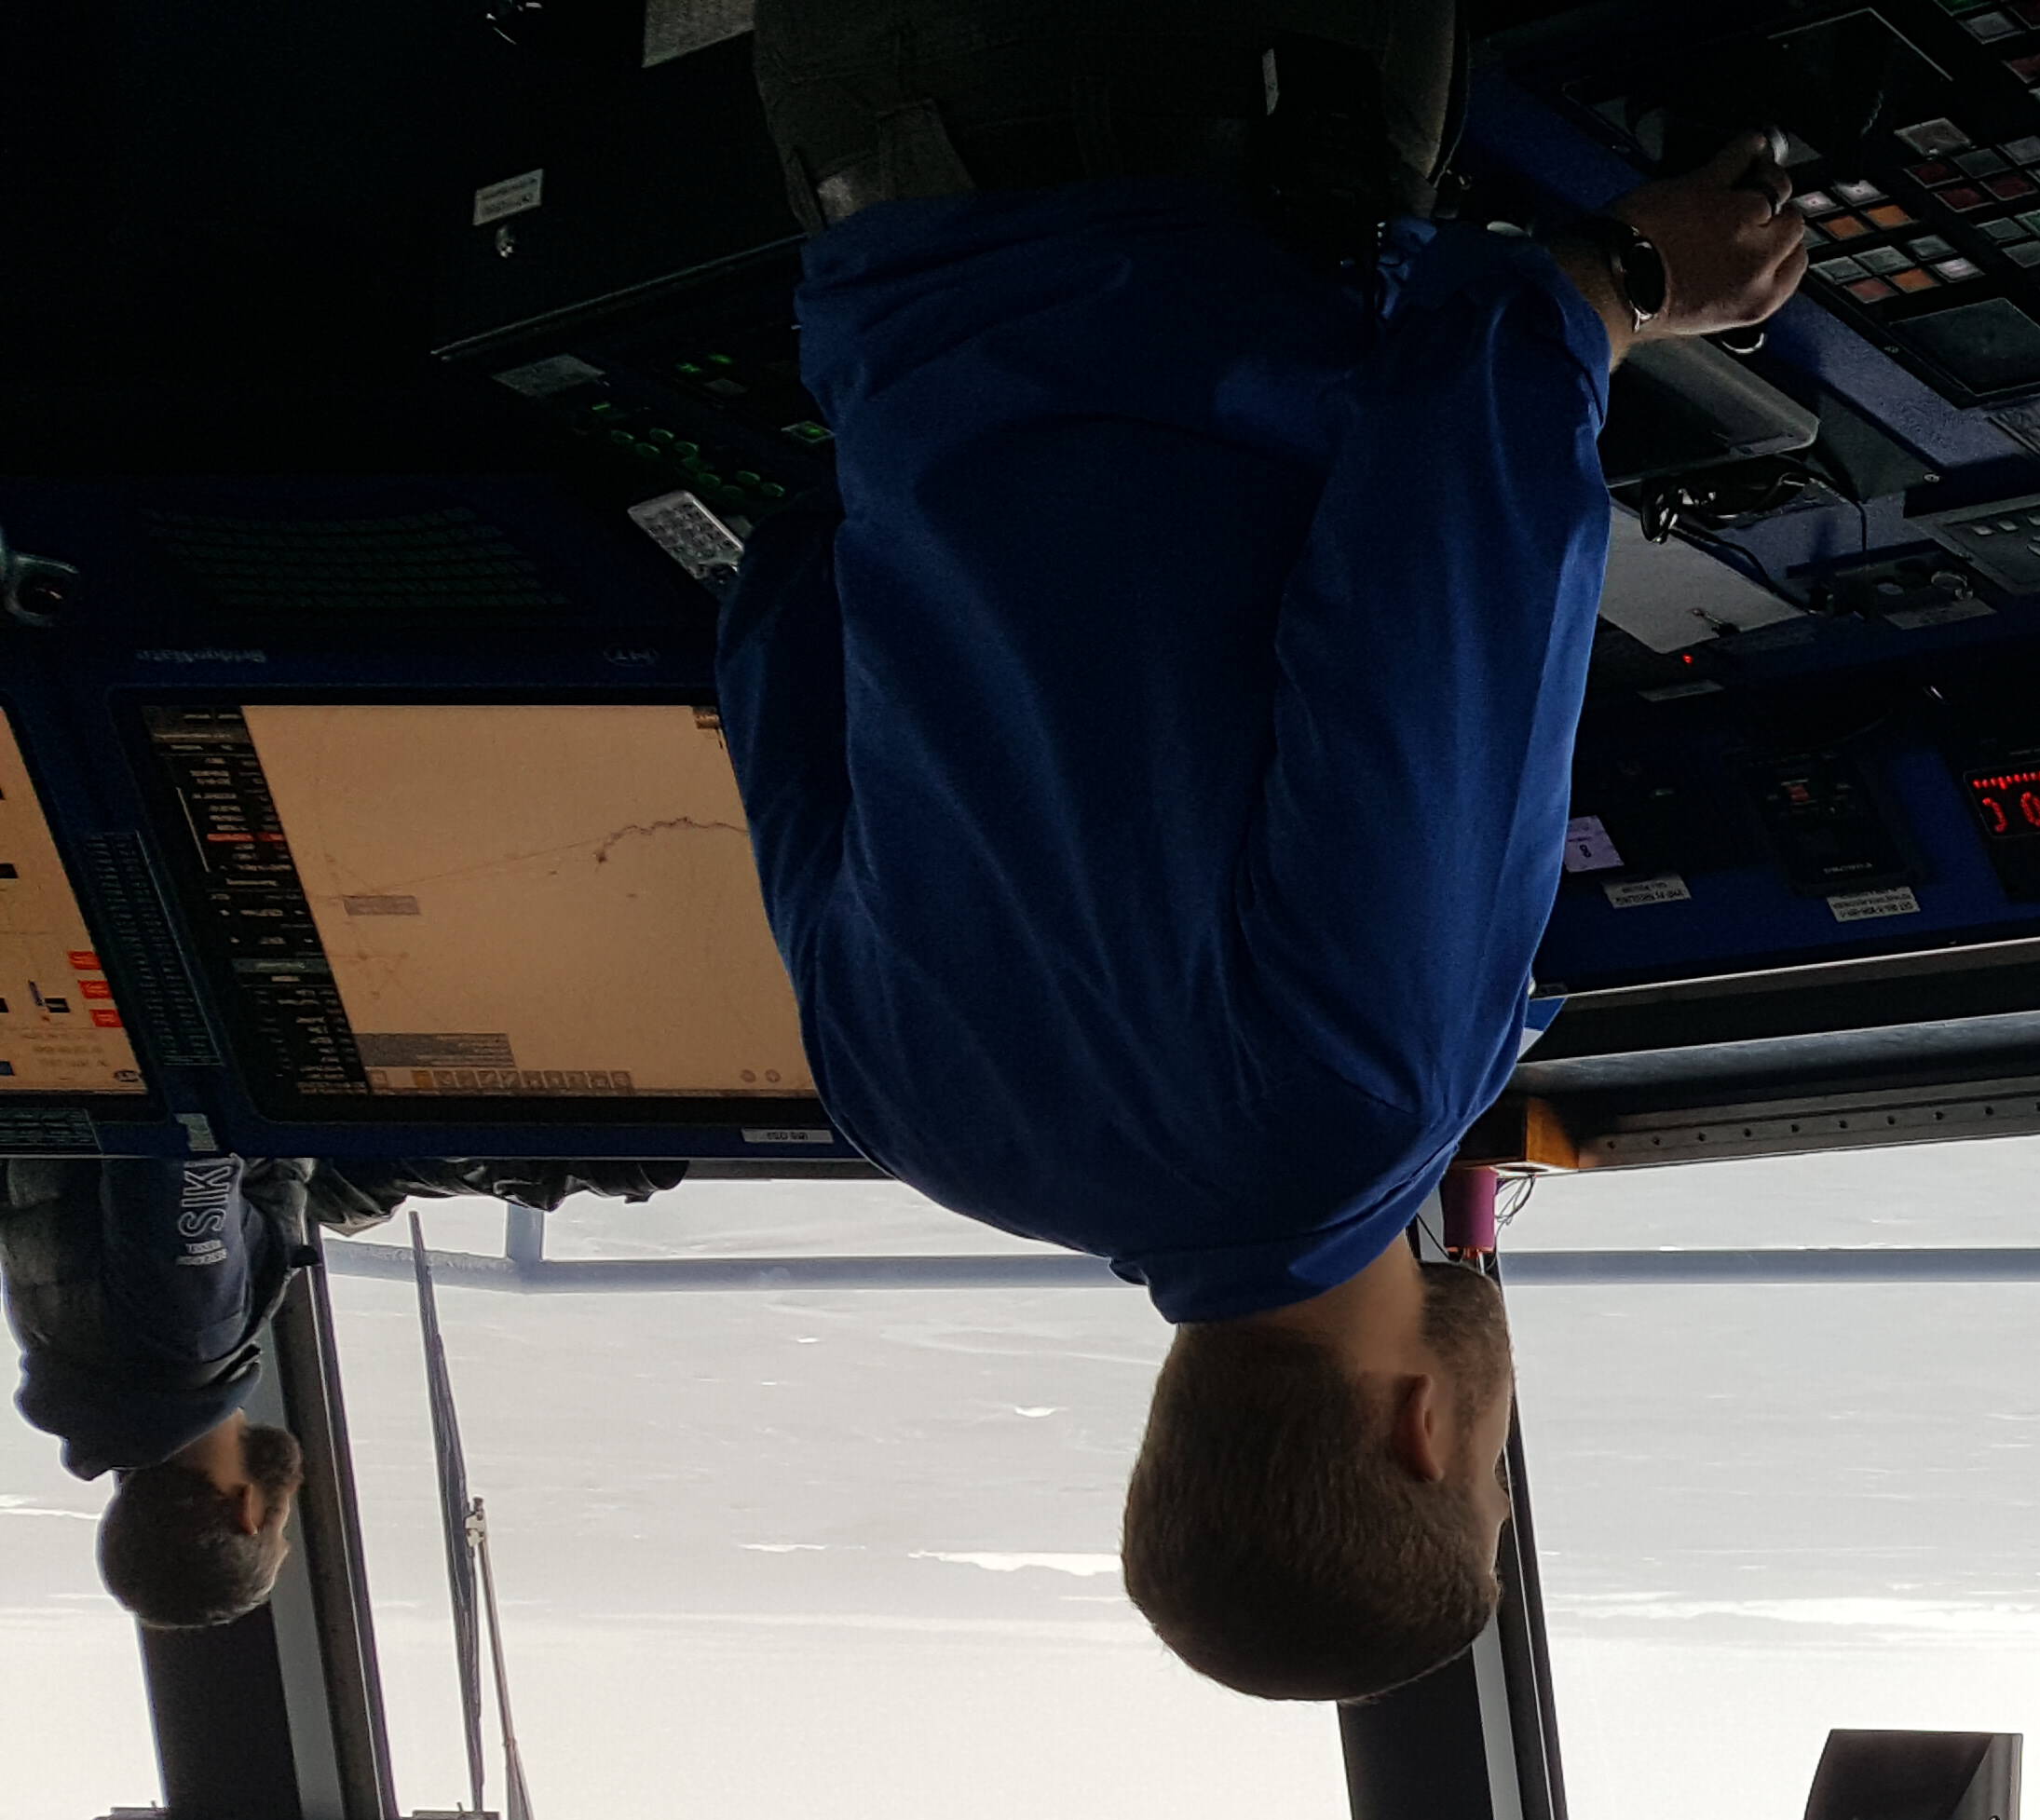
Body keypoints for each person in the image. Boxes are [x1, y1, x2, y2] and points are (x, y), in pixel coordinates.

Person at [712, 0, 1804, 1703]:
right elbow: (783, 620)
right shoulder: (918, 1125)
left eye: (1499, 1479)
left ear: (1429, 1436)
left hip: (1181, 119)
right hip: (875, 175)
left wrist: (1636, 282)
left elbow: (1449, 549)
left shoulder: (1366, 1095)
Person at [2, 1159, 671, 1630]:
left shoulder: (186, 1336)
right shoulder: (69, 1354)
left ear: (246, 1513)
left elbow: (189, 1131)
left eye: (282, 1524)